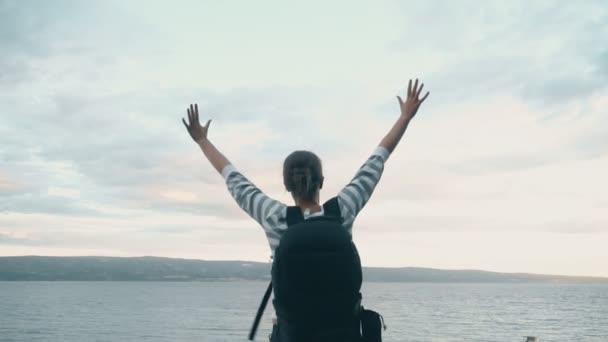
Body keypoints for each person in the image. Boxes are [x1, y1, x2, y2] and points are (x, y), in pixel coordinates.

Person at [183, 79, 429, 341]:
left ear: (287, 185)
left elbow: (233, 178)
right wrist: (405, 117)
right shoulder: (343, 211)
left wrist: (201, 140)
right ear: (321, 181)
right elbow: (376, 161)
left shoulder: (274, 217)